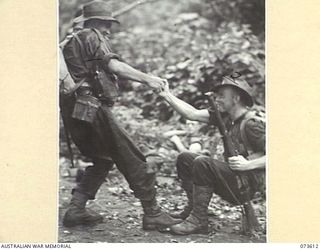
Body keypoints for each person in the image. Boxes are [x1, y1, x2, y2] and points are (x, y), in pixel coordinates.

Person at [60, 0, 181, 230]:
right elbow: (113, 66)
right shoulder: (91, 36)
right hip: (92, 107)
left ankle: (76, 209)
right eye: (107, 23)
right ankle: (152, 213)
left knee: (103, 158)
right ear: (97, 22)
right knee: (131, 156)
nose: (109, 29)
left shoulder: (75, 40)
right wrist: (148, 79)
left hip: (75, 111)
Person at [159, 74, 266, 235]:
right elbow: (192, 114)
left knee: (203, 162)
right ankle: (194, 210)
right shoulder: (225, 117)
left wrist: (247, 164)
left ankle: (198, 221)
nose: (217, 99)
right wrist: (166, 95)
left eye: (222, 96)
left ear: (236, 98)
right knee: (185, 158)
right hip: (233, 179)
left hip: (246, 185)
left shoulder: (252, 124)